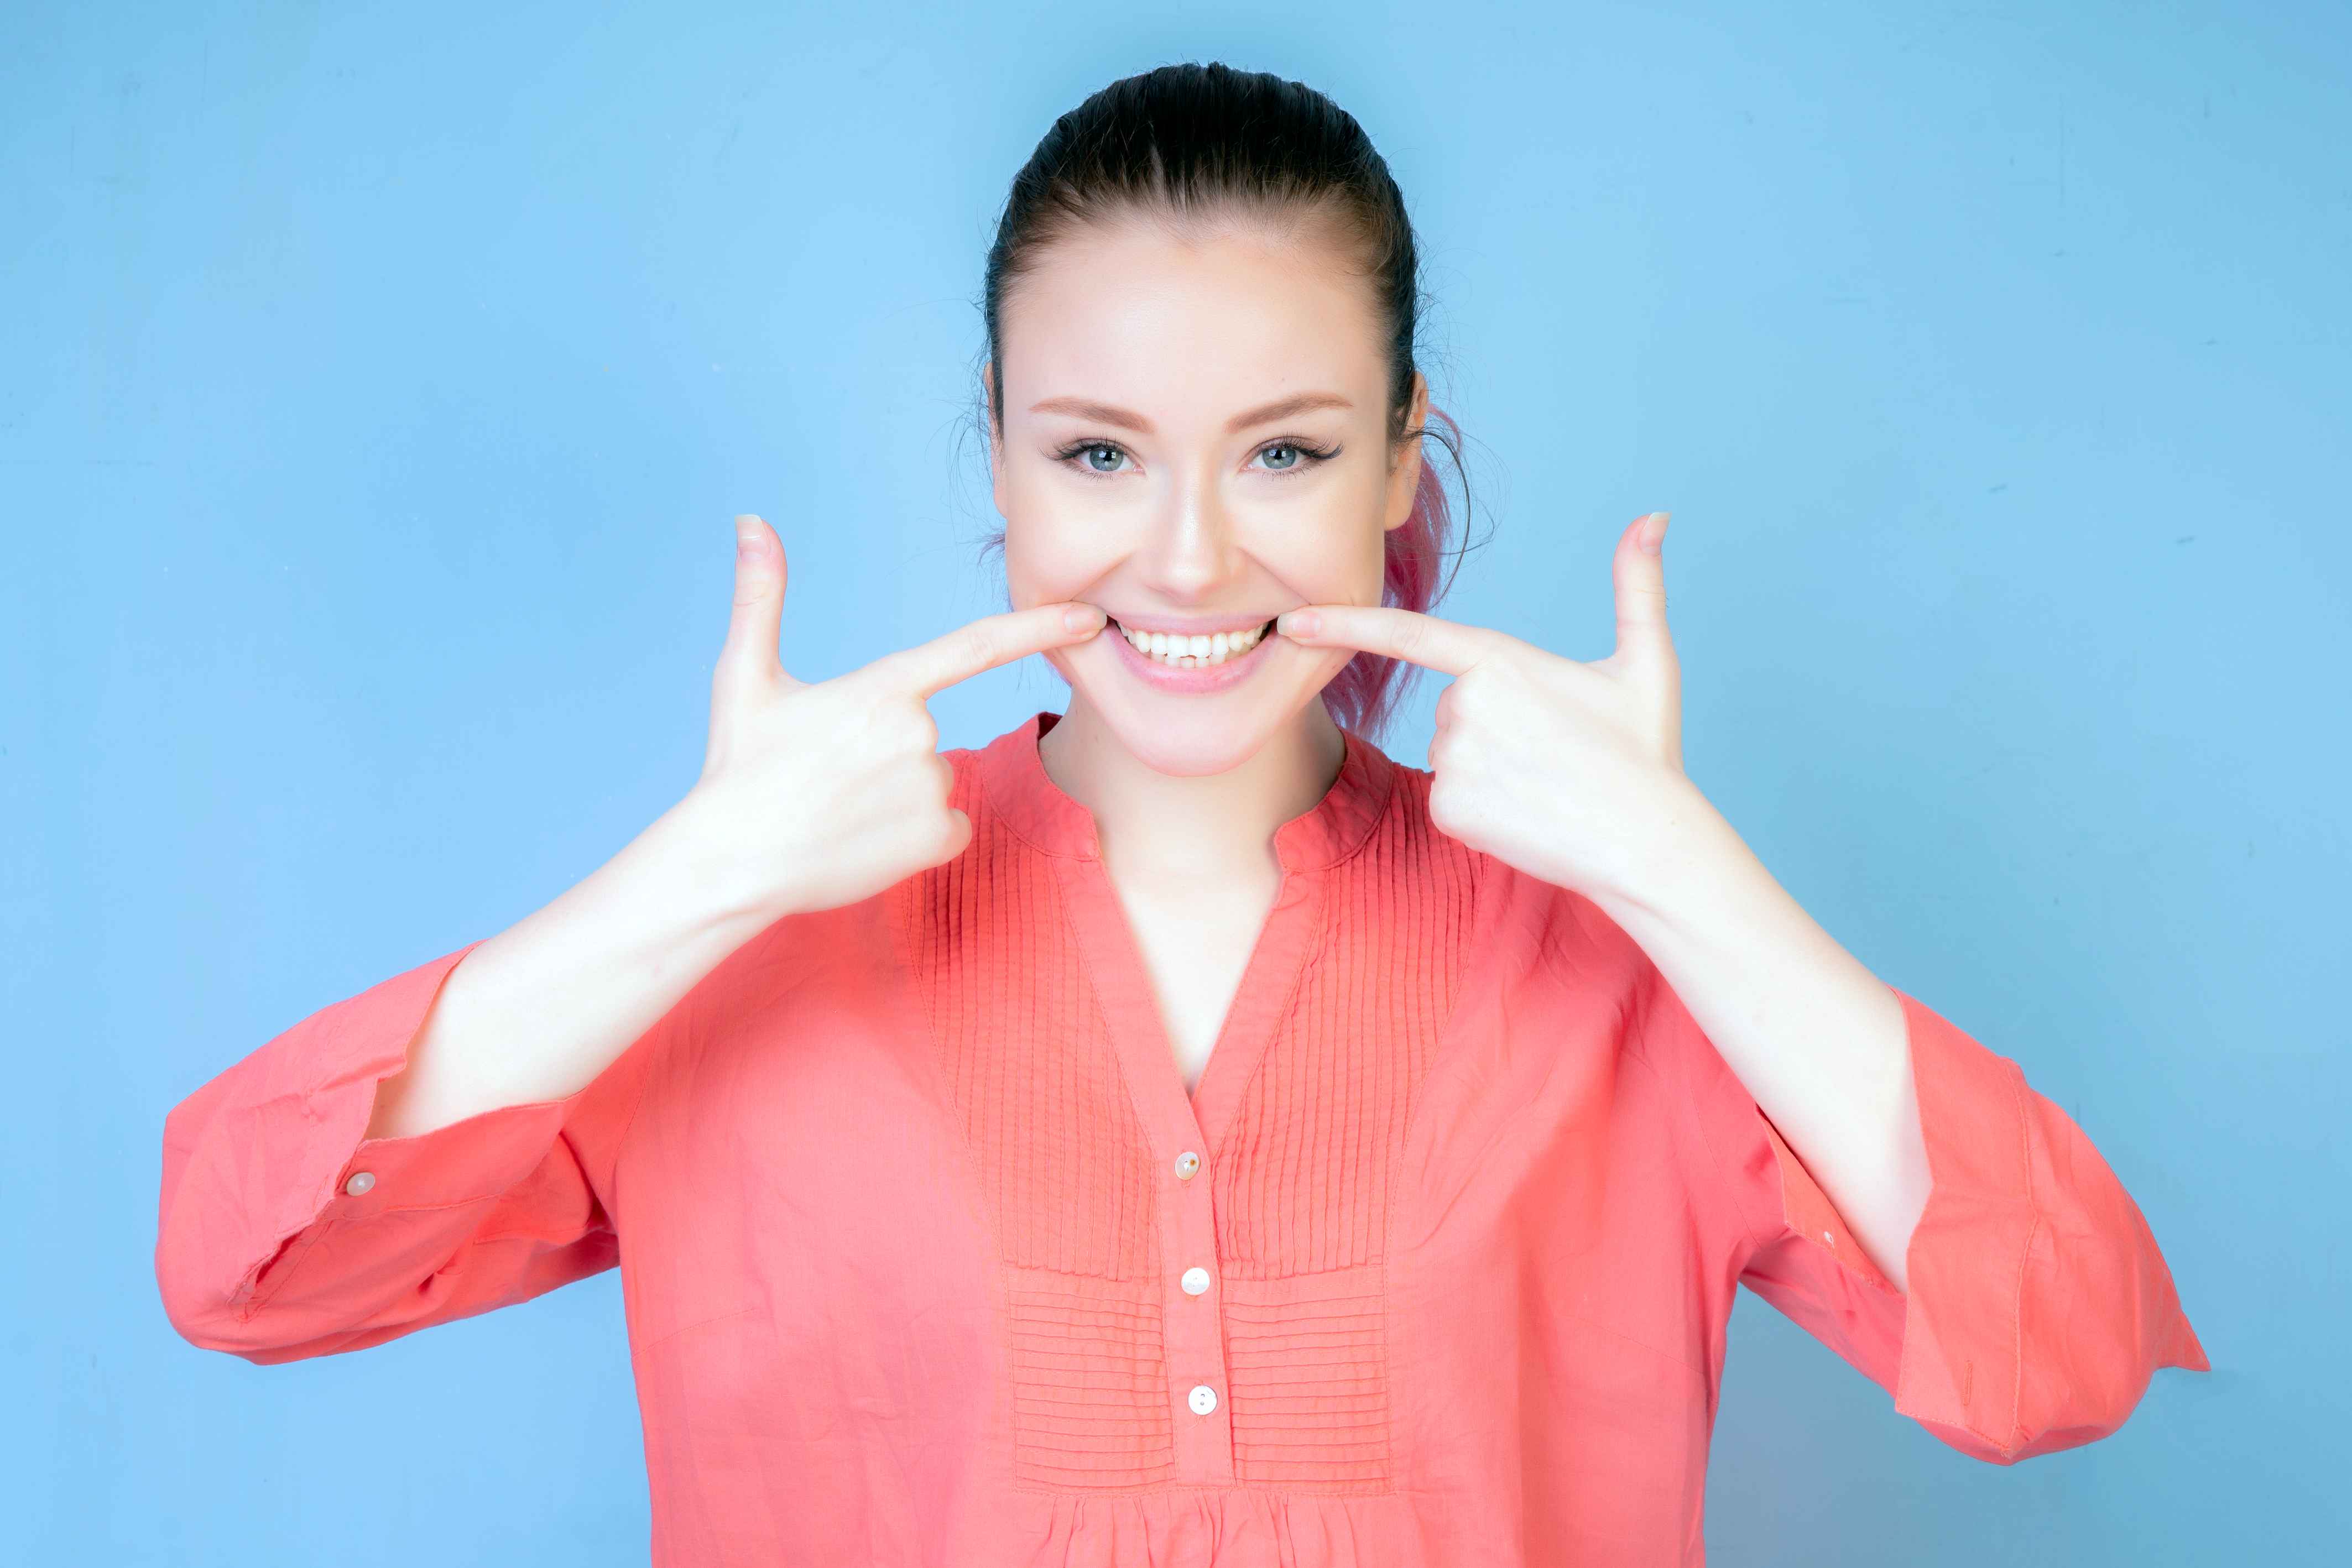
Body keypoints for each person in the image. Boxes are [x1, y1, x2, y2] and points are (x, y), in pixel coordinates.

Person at [153, 60, 2207, 1566]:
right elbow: (245, 1264)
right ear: (1001, 456)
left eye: (1289, 449)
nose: (1195, 559)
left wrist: (1680, 872)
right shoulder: (752, 943)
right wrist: (698, 880)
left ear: (1408, 459)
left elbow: (2064, 1350)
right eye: (1102, 452)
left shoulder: (1610, 955)